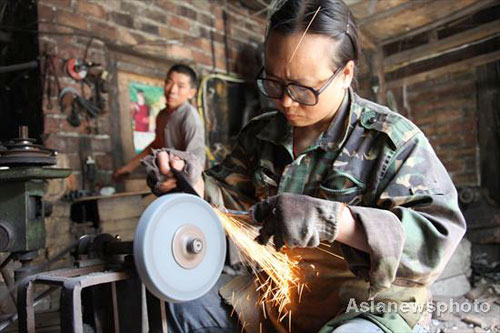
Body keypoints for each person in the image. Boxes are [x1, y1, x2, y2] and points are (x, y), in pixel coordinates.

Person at [144, 1, 466, 332]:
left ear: (345, 74)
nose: (285, 101)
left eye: (303, 89)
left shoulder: (390, 141)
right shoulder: (261, 134)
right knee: (187, 302)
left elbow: (435, 242)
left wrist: (336, 222)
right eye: (273, 82)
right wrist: (191, 182)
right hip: (281, 299)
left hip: (367, 305)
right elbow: (231, 200)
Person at [113, 64, 205, 182]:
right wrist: (127, 168)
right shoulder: (162, 115)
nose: (172, 90)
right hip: (168, 179)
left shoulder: (189, 116)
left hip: (186, 183)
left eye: (180, 86)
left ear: (191, 93)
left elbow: (197, 162)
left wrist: (175, 183)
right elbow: (156, 145)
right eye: (169, 82)